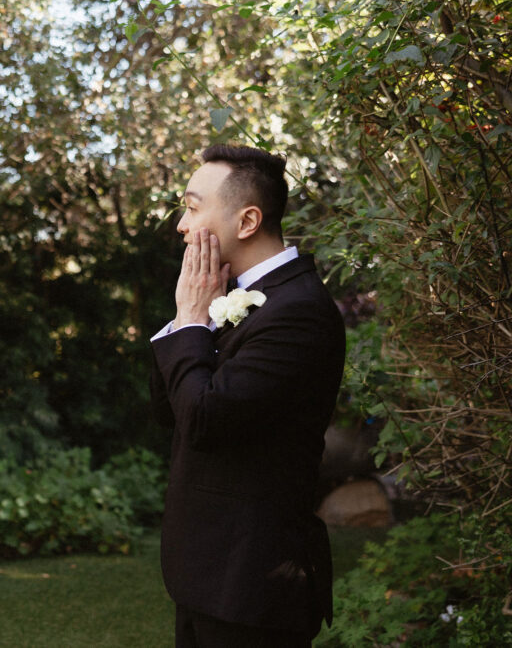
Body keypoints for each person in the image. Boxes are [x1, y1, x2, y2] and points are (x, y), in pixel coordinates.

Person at [149, 145, 345, 646]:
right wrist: (191, 316)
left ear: (248, 220)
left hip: (251, 586)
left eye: (192, 207)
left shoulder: (298, 311)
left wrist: (193, 320)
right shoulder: (227, 294)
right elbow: (165, 407)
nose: (181, 225)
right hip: (208, 575)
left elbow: (204, 418)